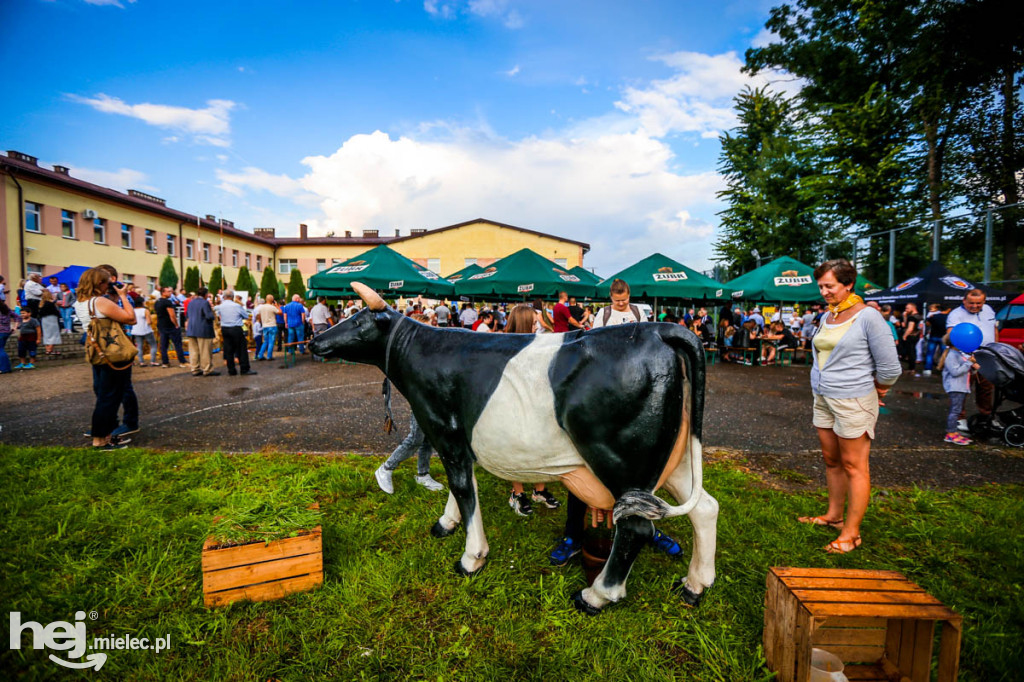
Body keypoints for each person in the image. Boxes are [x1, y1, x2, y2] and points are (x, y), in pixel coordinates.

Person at [549, 279, 682, 566]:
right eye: (617, 301)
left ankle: (648, 530)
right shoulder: (603, 316)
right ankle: (572, 536)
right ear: (611, 298)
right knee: (585, 468)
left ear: (629, 296)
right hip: (606, 393)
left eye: (625, 300)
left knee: (641, 475)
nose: (621, 304)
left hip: (635, 395)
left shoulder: (640, 315)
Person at [799, 259, 901, 554]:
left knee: (854, 466)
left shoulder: (869, 317)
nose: (824, 292)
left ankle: (852, 534)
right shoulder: (828, 315)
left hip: (853, 399)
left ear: (848, 284)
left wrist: (879, 387)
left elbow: (890, 367)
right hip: (824, 397)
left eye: (829, 286)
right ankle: (833, 517)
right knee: (832, 460)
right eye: (820, 286)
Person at [502, 304, 562, 515]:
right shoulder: (506, 345)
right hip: (514, 405)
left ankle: (540, 490)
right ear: (524, 323)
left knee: (539, 447)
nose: (537, 326)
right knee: (517, 450)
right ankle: (517, 493)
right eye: (534, 322)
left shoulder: (538, 342)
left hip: (536, 403)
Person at [76, 267, 136, 450]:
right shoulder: (99, 301)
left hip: (99, 352)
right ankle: (100, 440)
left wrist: (115, 299)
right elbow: (130, 318)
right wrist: (124, 297)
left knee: (105, 395)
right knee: (109, 397)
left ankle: (107, 436)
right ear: (99, 283)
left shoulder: (81, 302)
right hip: (114, 353)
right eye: (106, 282)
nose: (107, 286)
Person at [946, 289, 999, 429]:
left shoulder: (988, 310)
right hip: (964, 357)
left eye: (978, 303)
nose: (975, 306)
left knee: (986, 388)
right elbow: (951, 336)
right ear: (964, 301)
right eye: (971, 303)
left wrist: (996, 349)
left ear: (984, 301)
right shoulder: (956, 315)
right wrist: (967, 358)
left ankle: (986, 415)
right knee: (961, 388)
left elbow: (994, 330)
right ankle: (960, 418)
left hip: (987, 355)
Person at [940, 336, 976, 446]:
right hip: (955, 387)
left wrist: (973, 367)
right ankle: (950, 434)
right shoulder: (951, 355)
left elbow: (964, 371)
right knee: (955, 411)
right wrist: (969, 363)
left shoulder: (958, 354)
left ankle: (954, 432)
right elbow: (955, 372)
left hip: (961, 387)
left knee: (957, 410)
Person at [215, 289, 256, 376]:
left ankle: (231, 370)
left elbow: (218, 315)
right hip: (236, 328)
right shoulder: (236, 306)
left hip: (225, 328)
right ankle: (244, 369)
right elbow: (245, 315)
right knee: (241, 349)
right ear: (232, 297)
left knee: (228, 349)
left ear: (224, 297)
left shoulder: (220, 306)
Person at [186, 287, 218, 376]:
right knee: (205, 351)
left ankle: (195, 368)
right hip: (203, 329)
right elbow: (209, 316)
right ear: (206, 294)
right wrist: (213, 313)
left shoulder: (191, 302)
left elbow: (187, 315)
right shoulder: (205, 303)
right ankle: (207, 369)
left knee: (193, 351)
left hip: (191, 329)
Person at [154, 287, 188, 368]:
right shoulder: (167, 302)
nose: (170, 293)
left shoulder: (157, 302)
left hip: (161, 325)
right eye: (168, 292)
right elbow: (172, 315)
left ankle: (165, 362)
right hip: (170, 325)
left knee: (164, 345)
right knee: (177, 344)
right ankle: (182, 361)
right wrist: (176, 324)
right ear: (163, 293)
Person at [131, 298, 159, 366]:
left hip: (136, 330)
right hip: (146, 330)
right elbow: (149, 321)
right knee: (153, 345)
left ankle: (141, 362)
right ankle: (152, 361)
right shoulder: (145, 310)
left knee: (139, 346)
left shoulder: (133, 310)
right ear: (142, 303)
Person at [923, 304, 948, 376]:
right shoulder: (948, 317)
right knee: (944, 354)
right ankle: (944, 369)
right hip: (944, 338)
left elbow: (927, 324)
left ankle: (928, 369)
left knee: (930, 353)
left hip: (933, 336)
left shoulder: (934, 316)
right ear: (948, 309)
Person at [255, 295, 282, 361]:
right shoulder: (272, 307)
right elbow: (280, 313)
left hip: (265, 325)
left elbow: (259, 315)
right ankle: (269, 356)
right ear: (272, 300)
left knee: (265, 341)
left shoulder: (261, 307)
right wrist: (277, 305)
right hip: (272, 325)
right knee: (271, 341)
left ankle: (260, 355)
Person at [309, 296, 332, 361]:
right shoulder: (323, 307)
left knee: (316, 341)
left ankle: (316, 357)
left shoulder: (314, 308)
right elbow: (328, 318)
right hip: (322, 325)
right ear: (324, 300)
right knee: (323, 341)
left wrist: (313, 327)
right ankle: (322, 357)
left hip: (315, 325)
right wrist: (333, 325)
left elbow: (311, 319)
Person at [899, 302, 922, 372]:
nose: (906, 310)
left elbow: (909, 328)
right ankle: (912, 368)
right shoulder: (920, 316)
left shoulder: (912, 317)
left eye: (907, 308)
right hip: (916, 335)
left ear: (913, 308)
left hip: (911, 336)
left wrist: (904, 336)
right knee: (912, 351)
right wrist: (905, 317)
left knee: (910, 352)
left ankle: (911, 368)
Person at [39, 290, 62, 355]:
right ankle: (49, 350)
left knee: (46, 335)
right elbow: (56, 312)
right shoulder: (51, 304)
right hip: (52, 319)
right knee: (54, 334)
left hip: (44, 320)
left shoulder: (42, 304)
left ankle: (48, 349)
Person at [0, 301, 17, 373]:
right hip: (6, 332)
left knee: (0, 350)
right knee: (1, 349)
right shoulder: (5, 309)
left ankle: (4, 368)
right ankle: (6, 367)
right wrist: (14, 327)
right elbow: (17, 317)